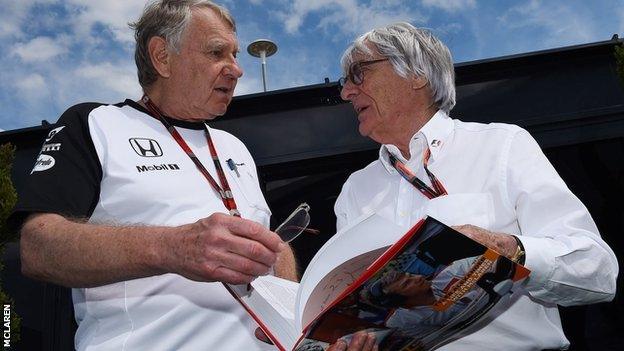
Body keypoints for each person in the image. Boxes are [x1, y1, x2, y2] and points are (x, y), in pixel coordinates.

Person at [10, 1, 300, 350]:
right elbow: (38, 247)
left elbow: (271, 244)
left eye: (235, 55)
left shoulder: (235, 147)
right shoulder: (95, 124)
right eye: (217, 52)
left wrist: (291, 312)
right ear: (162, 56)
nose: (236, 70)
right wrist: (175, 247)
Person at [335, 22, 618, 350]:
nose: (346, 92)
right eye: (345, 81)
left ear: (416, 74)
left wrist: (509, 251)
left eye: (358, 73)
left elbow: (597, 272)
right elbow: (355, 313)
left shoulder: (502, 145)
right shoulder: (355, 190)